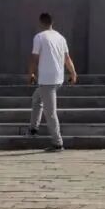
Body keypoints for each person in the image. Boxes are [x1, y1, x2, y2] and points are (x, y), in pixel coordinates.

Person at [27, 12, 77, 152]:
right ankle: (33, 129)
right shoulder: (60, 37)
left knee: (50, 112)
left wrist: (31, 73)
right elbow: (67, 58)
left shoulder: (39, 37)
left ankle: (57, 143)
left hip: (47, 80)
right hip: (58, 78)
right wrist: (73, 73)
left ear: (40, 23)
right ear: (52, 23)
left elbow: (34, 58)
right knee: (37, 99)